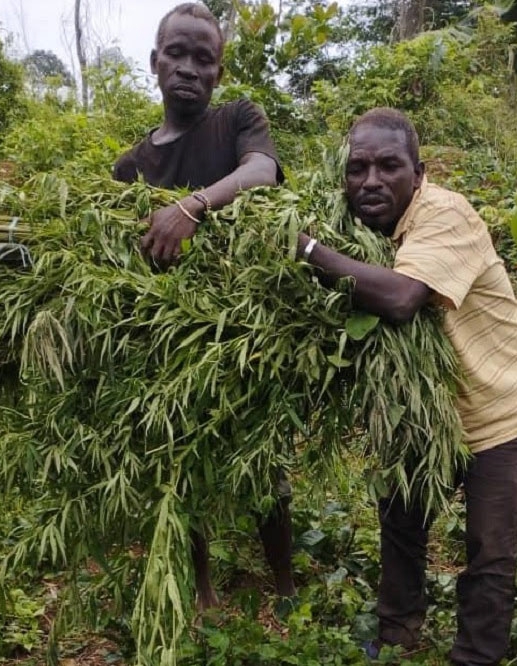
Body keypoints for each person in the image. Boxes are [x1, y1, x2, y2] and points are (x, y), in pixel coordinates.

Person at [296, 108, 517, 666]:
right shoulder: (355, 219)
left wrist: (308, 249)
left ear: (419, 172)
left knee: (489, 548)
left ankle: (476, 656)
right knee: (401, 522)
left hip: (497, 407)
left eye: (389, 166)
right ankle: (397, 636)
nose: (371, 181)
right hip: (425, 414)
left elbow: (401, 298)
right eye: (357, 168)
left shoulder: (446, 215)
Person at [113, 3, 294, 611]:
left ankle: (286, 584)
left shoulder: (237, 120)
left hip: (246, 329)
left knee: (265, 465)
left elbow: (263, 172)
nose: (188, 68)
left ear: (218, 72)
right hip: (171, 341)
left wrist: (191, 208)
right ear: (154, 62)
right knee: (182, 462)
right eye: (177, 54)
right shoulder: (131, 166)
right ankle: (203, 589)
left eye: (203, 58)